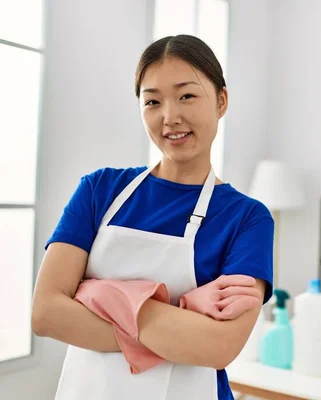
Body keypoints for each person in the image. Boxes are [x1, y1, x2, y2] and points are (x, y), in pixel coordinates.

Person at [31, 34, 274, 400]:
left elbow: (218, 346)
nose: (170, 116)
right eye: (152, 102)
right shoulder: (100, 190)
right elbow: (46, 313)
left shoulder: (247, 218)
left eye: (186, 95)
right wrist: (185, 312)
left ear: (221, 101)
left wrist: (97, 294)